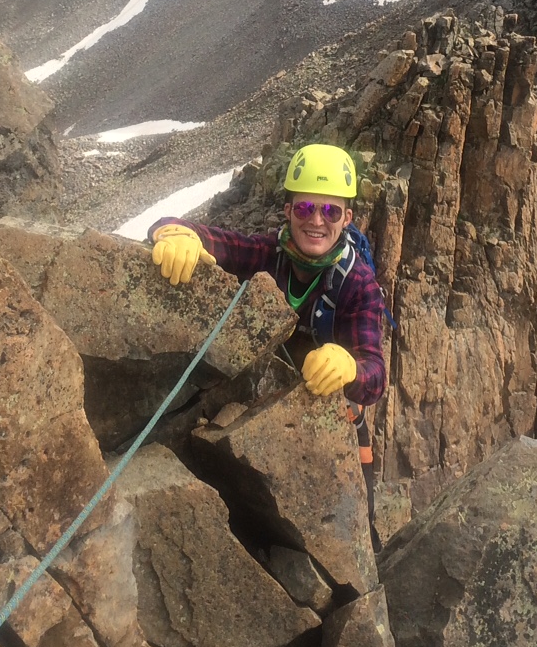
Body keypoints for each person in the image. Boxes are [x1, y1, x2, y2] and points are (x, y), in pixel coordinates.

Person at [147, 143, 388, 527]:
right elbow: (219, 241)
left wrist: (350, 368)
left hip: (332, 428)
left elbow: (375, 376)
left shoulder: (358, 285)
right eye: (306, 208)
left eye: (330, 210)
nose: (317, 221)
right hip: (262, 413)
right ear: (288, 211)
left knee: (358, 528)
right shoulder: (267, 254)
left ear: (347, 218)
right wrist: (174, 231)